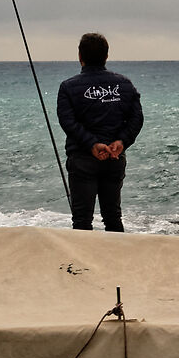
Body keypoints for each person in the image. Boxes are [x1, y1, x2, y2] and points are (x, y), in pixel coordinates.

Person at [55, 32, 142, 232]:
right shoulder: (125, 84)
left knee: (82, 221)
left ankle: (82, 264)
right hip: (114, 157)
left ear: (80, 56)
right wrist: (121, 142)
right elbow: (136, 119)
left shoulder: (68, 87)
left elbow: (68, 122)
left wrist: (92, 144)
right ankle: (117, 261)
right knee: (112, 217)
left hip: (83, 159)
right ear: (106, 56)